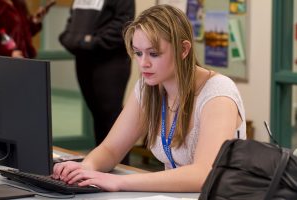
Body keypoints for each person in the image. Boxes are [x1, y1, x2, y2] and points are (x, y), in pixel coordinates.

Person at [52, 4, 246, 192]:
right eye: (138, 53)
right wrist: (85, 168)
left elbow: (204, 174)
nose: (143, 63)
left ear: (184, 50)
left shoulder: (218, 92)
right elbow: (111, 149)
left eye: (153, 54)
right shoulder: (148, 88)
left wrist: (120, 182)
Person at [59, 0, 135, 150]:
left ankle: (120, 169)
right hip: (84, 59)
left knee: (112, 120)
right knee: (98, 117)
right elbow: (73, 21)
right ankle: (101, 164)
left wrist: (91, 42)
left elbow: (124, 23)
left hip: (110, 61)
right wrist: (74, 40)